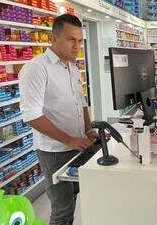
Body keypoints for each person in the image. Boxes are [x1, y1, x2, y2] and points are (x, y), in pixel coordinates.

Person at [19, 14, 97, 225]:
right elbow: (32, 115)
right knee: (62, 210)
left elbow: (81, 104)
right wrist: (69, 139)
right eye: (71, 39)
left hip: (78, 145)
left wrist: (88, 131)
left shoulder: (72, 66)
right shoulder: (36, 69)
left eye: (80, 41)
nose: (77, 46)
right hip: (54, 151)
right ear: (53, 38)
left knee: (72, 197)